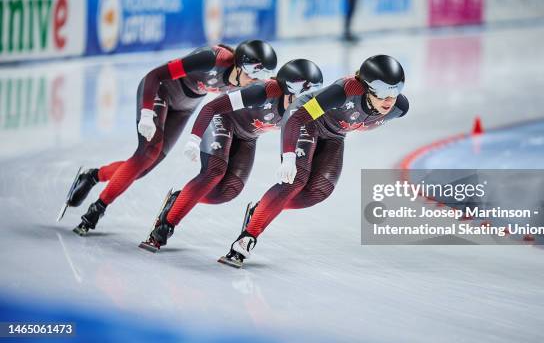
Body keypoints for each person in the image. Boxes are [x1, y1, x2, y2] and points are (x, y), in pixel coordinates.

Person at [63, 40, 277, 236]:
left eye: (258, 78)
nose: (252, 83)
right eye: (251, 76)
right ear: (239, 66)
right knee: (147, 153)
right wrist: (147, 113)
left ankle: (93, 176)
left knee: (143, 169)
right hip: (161, 91)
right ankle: (97, 209)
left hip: (185, 108)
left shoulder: (250, 82)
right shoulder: (212, 59)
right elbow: (155, 76)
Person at [219, 54, 410, 268]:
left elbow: (350, 122)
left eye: (396, 91)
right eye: (383, 92)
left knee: (318, 192)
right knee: (296, 180)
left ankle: (261, 209)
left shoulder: (399, 109)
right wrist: (289, 156)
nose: (389, 100)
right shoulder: (343, 93)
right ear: (364, 88)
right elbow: (298, 117)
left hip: (335, 134)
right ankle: (246, 240)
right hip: (307, 121)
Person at [139, 59, 324, 251]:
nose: (304, 106)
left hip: (248, 136)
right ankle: (165, 226)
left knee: (228, 191)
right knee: (214, 172)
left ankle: (180, 198)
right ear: (287, 90)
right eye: (302, 98)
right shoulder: (263, 91)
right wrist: (194, 139)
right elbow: (211, 108)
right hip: (224, 119)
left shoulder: (307, 111)